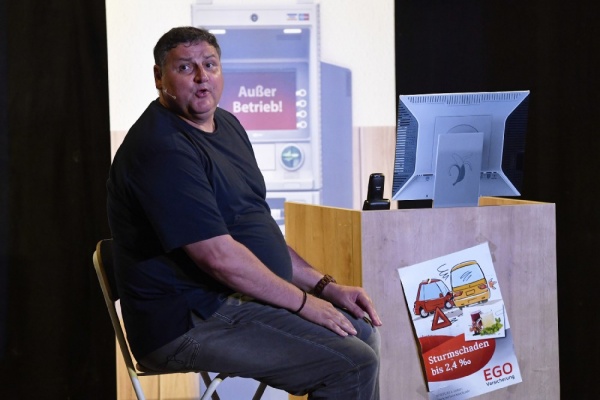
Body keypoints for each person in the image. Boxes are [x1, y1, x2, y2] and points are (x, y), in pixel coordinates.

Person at [107, 26, 382, 399]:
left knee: (362, 330)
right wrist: (306, 304)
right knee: (351, 363)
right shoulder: (161, 147)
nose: (202, 77)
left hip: (226, 299)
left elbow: (255, 231)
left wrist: (325, 288)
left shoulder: (229, 126)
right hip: (185, 321)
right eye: (185, 68)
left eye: (210, 65)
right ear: (159, 77)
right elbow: (218, 258)